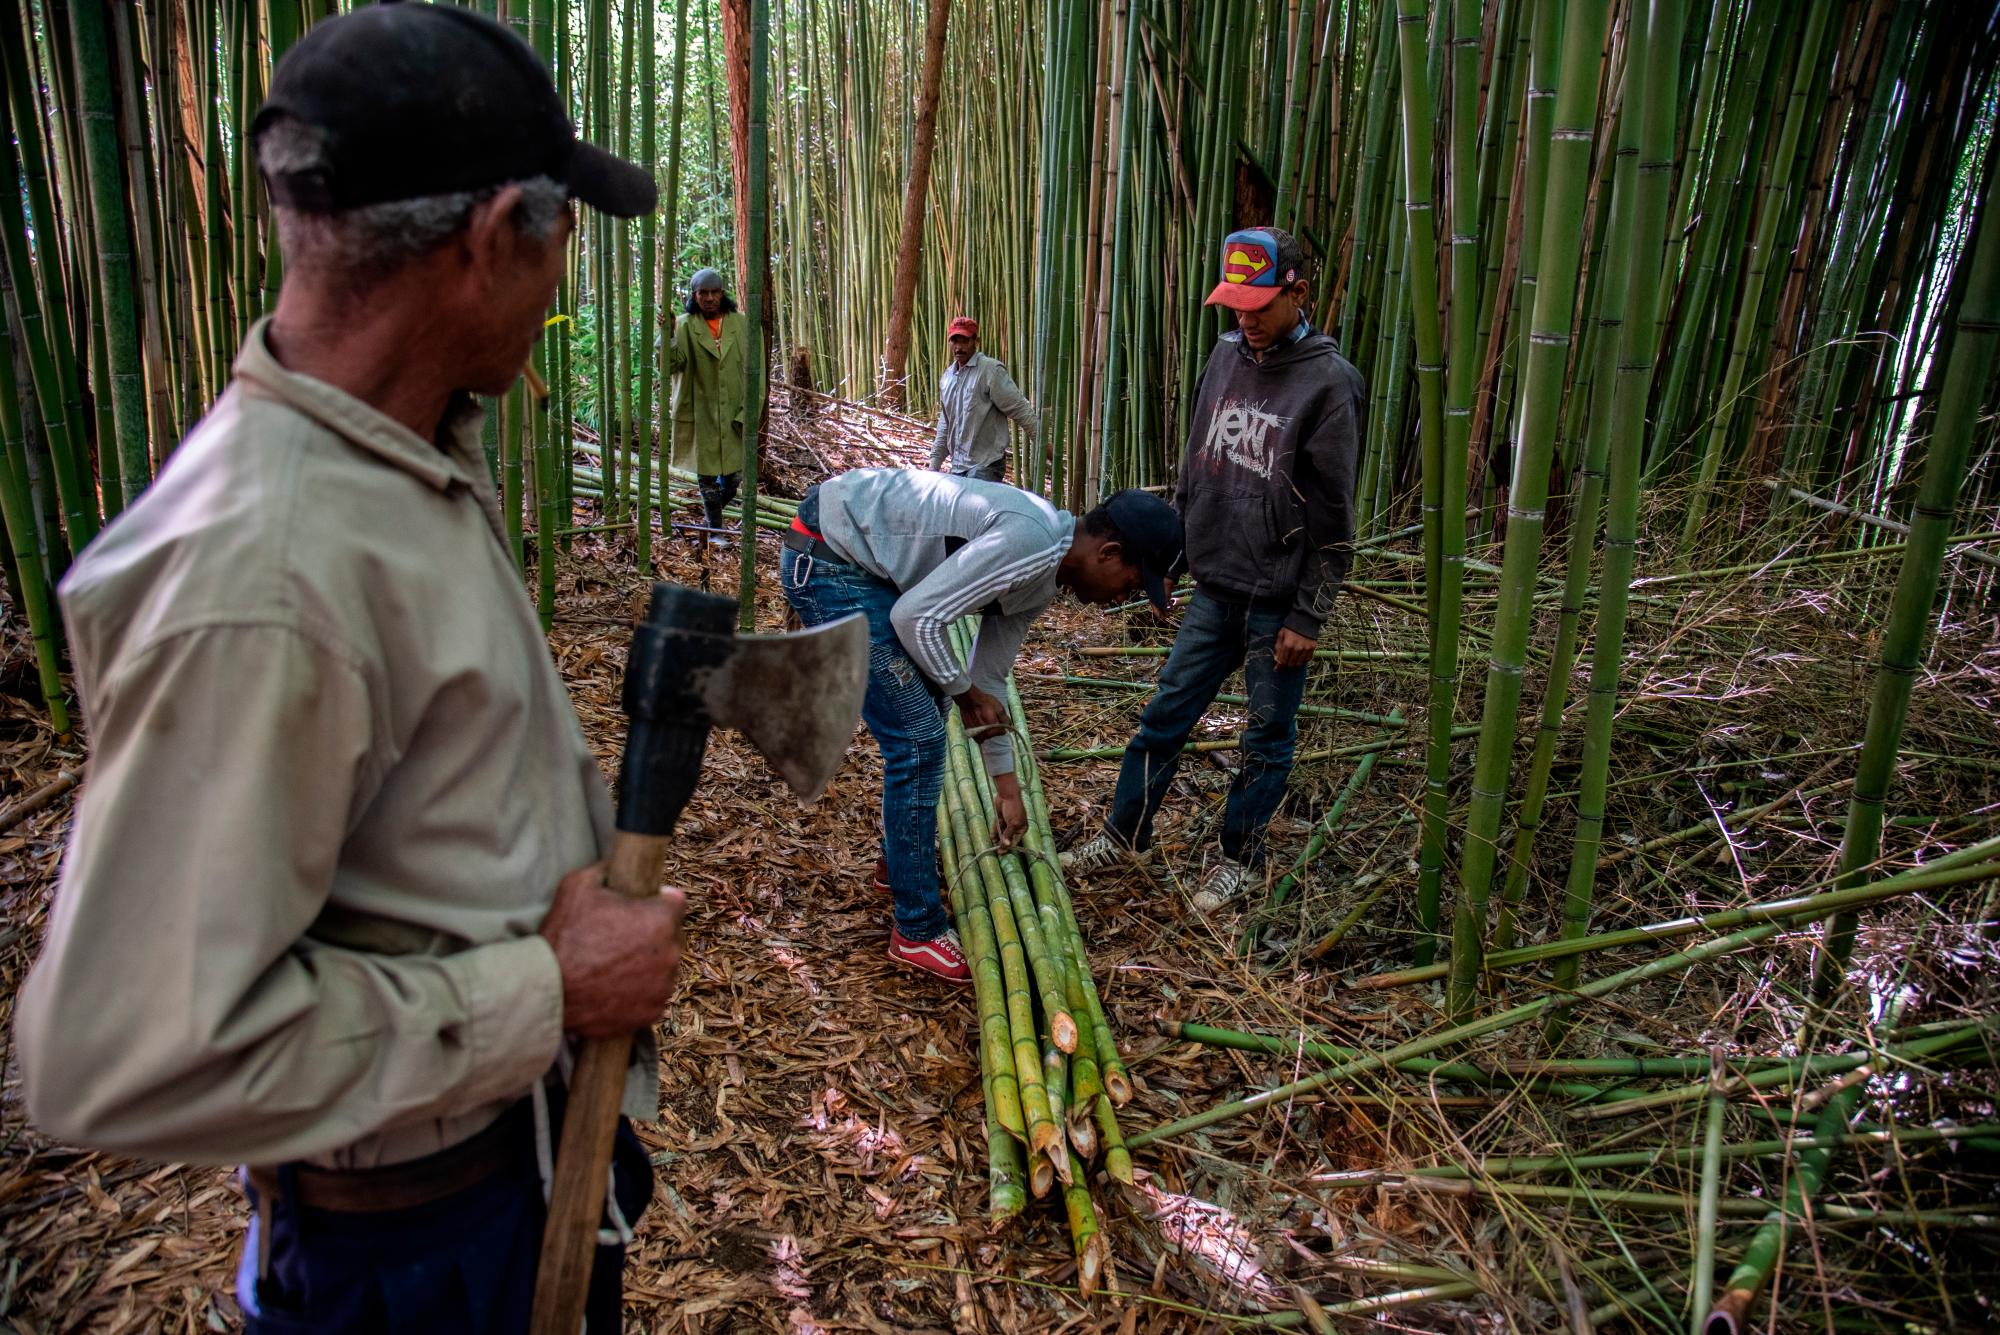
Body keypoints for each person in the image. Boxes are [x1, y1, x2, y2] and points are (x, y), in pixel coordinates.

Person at [12, 8, 687, 1331]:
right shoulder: (264, 576)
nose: (562, 287)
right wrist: (543, 990)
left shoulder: (400, 447)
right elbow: (121, 1051)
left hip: (508, 1187)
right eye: (561, 240)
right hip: (416, 1261)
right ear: (494, 240)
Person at [1062, 227, 1364, 916]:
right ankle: (1124, 832)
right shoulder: (1225, 356)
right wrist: (1172, 561)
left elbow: (1336, 517)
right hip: (1215, 586)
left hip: (1277, 599)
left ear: (1299, 290)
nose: (1246, 319)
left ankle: (1240, 859)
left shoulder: (1328, 382)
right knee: (1164, 716)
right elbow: (1196, 466)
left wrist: (1308, 614)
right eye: (1236, 305)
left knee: (1265, 735)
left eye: (1260, 305)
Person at [781, 468, 1183, 982]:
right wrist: (965, 694)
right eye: (1129, 583)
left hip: (864, 565)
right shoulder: (1031, 543)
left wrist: (1008, 790)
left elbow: (985, 679)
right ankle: (917, 930)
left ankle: (898, 868)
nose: (1122, 598)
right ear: (1108, 553)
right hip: (827, 559)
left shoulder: (1042, 578)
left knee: (934, 707)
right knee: (919, 739)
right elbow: (916, 619)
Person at [668, 267, 747, 540]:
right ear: (695, 295)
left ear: (722, 293)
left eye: (715, 292)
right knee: (707, 479)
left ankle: (710, 521)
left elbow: (755, 371)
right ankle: (715, 530)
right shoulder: (684, 325)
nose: (710, 298)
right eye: (704, 293)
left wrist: (748, 411)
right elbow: (670, 365)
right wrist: (667, 335)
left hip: (733, 410)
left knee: (734, 480)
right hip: (699, 411)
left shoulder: (741, 324)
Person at [929, 316, 1041, 483]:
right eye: (955, 341)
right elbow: (945, 424)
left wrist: (1043, 442)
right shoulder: (948, 378)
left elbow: (1019, 409)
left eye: (965, 341)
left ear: (976, 341)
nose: (959, 347)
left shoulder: (990, 371)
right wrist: (934, 464)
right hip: (958, 466)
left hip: (985, 465)